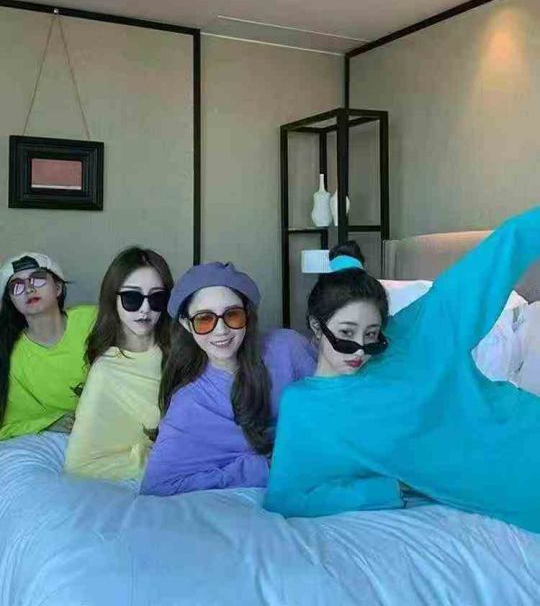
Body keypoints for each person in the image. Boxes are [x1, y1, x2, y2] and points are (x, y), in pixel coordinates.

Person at [265, 207, 540, 534]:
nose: (360, 350)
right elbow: (286, 498)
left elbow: (502, 252)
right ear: (316, 326)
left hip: (525, 430)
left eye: (372, 334)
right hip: (508, 492)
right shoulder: (302, 406)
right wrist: (386, 489)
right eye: (346, 333)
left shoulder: (412, 333)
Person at [140, 261, 316, 496]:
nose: (221, 330)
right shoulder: (189, 404)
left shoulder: (288, 347)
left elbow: (334, 404)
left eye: (232, 315)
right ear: (186, 323)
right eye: (204, 319)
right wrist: (261, 467)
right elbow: (157, 486)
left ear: (247, 315)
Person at [64, 247, 173, 480]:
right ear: (112, 299)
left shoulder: (181, 350)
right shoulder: (106, 370)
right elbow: (80, 464)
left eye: (156, 298)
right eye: (132, 298)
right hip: (161, 466)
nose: (145, 309)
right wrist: (154, 461)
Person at [0, 252, 96, 440]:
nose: (29, 289)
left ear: (58, 288)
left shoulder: (92, 320)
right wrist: (51, 423)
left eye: (37, 279)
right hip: (59, 441)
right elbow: (9, 427)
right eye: (17, 286)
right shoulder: (13, 357)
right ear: (11, 301)